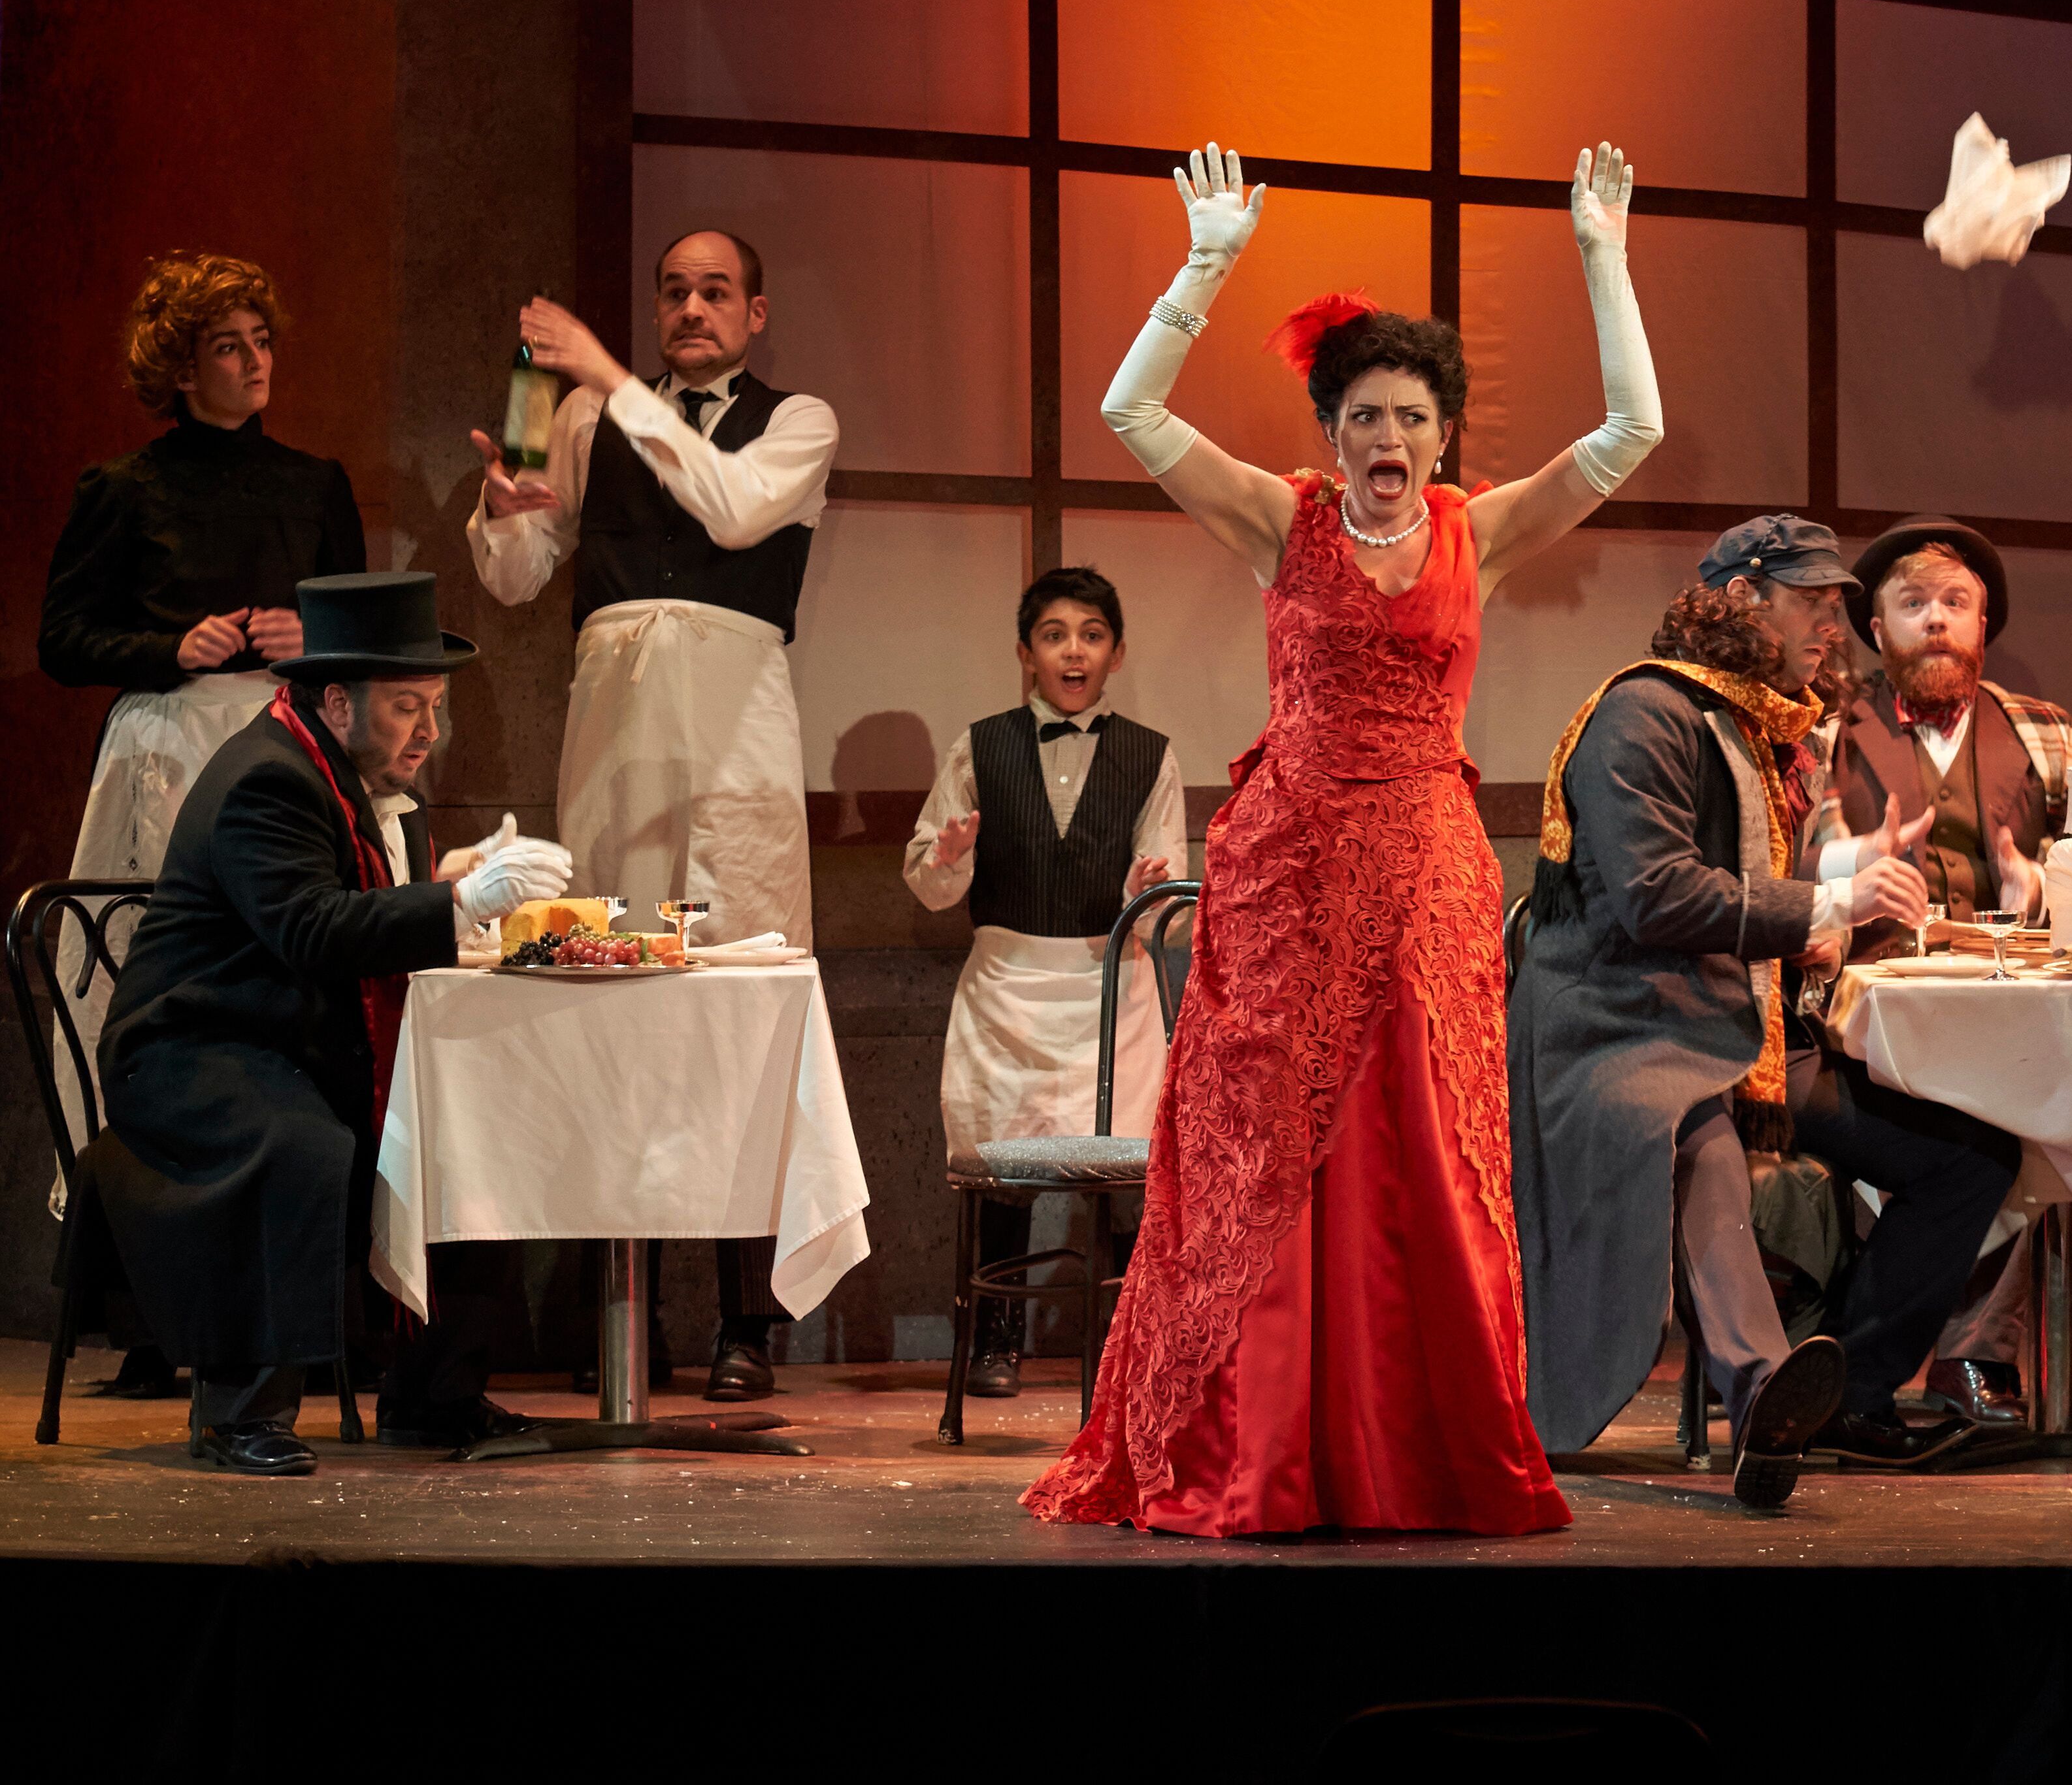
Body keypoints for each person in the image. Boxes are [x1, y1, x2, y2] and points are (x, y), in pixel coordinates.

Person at [1027, 139, 1660, 1537]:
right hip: (1287, 868)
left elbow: (1629, 438)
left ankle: (1414, 1449)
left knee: (1424, 1146)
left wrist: (1600, 257)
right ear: (1333, 434)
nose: (1388, 438)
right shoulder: (1284, 523)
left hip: (1429, 858)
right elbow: (1132, 410)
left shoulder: (1473, 535)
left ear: (1443, 436)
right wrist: (1203, 269)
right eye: (1365, 414)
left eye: (1412, 417)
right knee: (1263, 1155)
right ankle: (1256, 1448)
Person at [1513, 516, 2021, 1505]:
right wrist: (1831, 904)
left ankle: (1843, 1396)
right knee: (1698, 1132)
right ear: (1742, 601)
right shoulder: (1643, 713)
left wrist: (1831, 908)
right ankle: (1759, 1393)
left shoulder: (1755, 724)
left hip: (1735, 1029)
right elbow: (1655, 896)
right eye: (1813, 604)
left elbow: (1742, 889)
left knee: (1969, 1159)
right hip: (1614, 1030)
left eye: (1838, 608)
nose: (1834, 628)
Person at [86, 573, 576, 1473]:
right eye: (405, 708)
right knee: (300, 1142)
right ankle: (240, 1413)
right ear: (339, 700)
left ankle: (435, 1395)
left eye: (433, 707)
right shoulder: (267, 780)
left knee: (467, 1128)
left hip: (288, 1039)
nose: (427, 732)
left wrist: (451, 877)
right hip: (192, 1049)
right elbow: (312, 927)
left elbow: (362, 901)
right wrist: (460, 899)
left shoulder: (356, 774)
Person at [465, 226, 838, 1401]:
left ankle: (746, 1322)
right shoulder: (572, 418)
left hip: (734, 730)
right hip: (615, 728)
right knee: (611, 994)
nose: (690, 309)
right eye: (672, 291)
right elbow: (515, 579)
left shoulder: (799, 420)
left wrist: (609, 377)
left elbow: (730, 511)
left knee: (737, 1006)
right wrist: (502, 509)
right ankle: (621, 1310)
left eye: (714, 291)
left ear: (754, 311)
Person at [37, 255, 369, 1398]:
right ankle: (141, 1307)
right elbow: (63, 639)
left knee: (276, 996)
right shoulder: (123, 485)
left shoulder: (315, 480)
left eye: (260, 340)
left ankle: (283, 1307)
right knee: (147, 1006)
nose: (254, 361)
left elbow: (362, 646)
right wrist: (166, 647)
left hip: (283, 755)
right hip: (162, 756)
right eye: (228, 345)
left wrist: (305, 638)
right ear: (181, 367)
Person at [1819, 517, 2072, 1429]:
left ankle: (1978, 1356)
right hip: (1863, 1013)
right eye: (1913, 605)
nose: (1936, 621)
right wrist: (1852, 866)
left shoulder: (2047, 735)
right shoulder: (1822, 730)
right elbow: (1783, 863)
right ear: (1877, 627)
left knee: (2034, 1129)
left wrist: (2038, 885)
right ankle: (1866, 1361)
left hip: (2007, 997)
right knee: (1957, 1149)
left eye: (1955, 605)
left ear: (1983, 624)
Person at [905, 565, 1187, 1394]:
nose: (1074, 652)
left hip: (1114, 987)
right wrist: (950, 858)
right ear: (1026, 654)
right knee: (1006, 1174)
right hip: (1005, 987)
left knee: (1129, 1179)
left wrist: (1149, 895)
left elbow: (1171, 897)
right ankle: (996, 1341)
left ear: (1117, 653)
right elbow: (929, 881)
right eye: (1056, 636)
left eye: (1092, 636)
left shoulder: (1150, 754)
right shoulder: (978, 745)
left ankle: (1132, 1349)